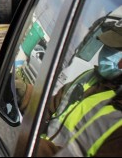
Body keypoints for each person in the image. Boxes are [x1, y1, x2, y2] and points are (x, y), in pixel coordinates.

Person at [15, 24, 122, 157]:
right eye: (107, 46)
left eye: (115, 49)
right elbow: (49, 107)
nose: (106, 53)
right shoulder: (89, 76)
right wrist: (25, 92)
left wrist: (32, 146)